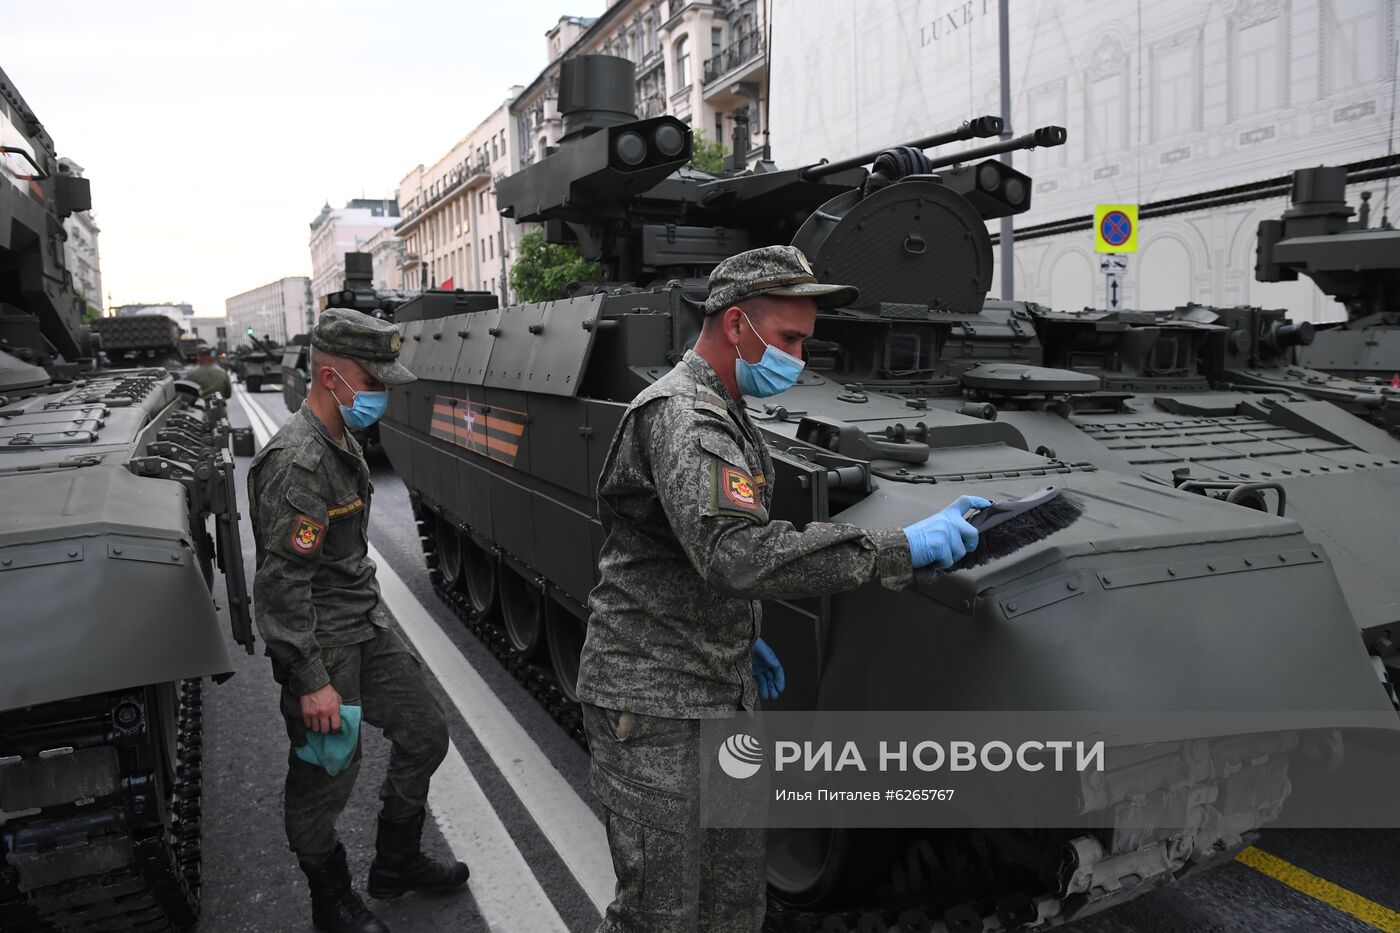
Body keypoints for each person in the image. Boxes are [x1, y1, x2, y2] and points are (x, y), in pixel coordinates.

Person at [576, 245, 989, 933]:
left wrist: (744, 631)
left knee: (735, 898)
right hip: (652, 704)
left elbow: (700, 550)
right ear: (737, 325)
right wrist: (900, 546)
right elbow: (735, 554)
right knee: (662, 913)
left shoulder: (726, 408)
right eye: (791, 338)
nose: (799, 357)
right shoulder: (685, 415)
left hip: (718, 683)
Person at [247, 308, 468, 933]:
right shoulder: (298, 465)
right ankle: (330, 899)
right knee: (325, 780)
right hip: (323, 646)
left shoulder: (340, 439)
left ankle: (395, 865)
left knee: (425, 735)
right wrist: (311, 677)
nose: (379, 397)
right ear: (329, 376)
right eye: (371, 384)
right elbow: (282, 584)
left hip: (366, 627)